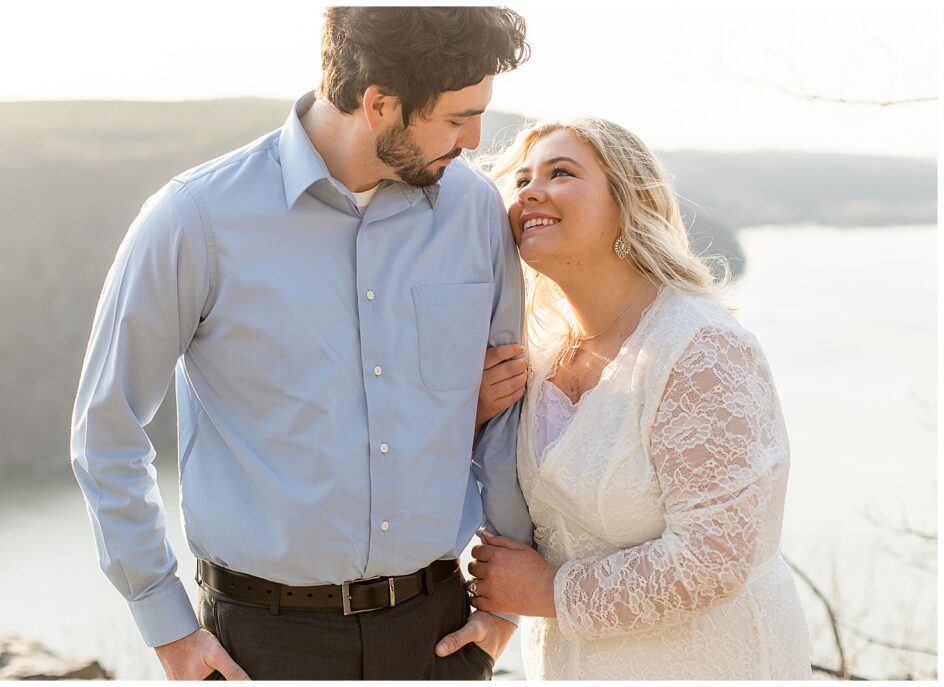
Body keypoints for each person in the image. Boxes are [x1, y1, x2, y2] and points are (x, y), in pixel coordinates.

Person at [70, 7, 533, 680]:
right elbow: (106, 429)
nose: (475, 138)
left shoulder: (474, 212)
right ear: (379, 104)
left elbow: (506, 411)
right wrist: (165, 622)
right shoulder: (193, 219)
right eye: (458, 118)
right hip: (261, 647)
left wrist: (502, 610)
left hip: (439, 635)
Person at [466, 118, 812, 679]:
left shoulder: (701, 348)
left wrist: (553, 593)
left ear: (628, 205)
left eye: (561, 172)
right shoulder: (541, 358)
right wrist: (474, 416)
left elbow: (714, 558)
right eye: (523, 178)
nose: (530, 191)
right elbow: (532, 521)